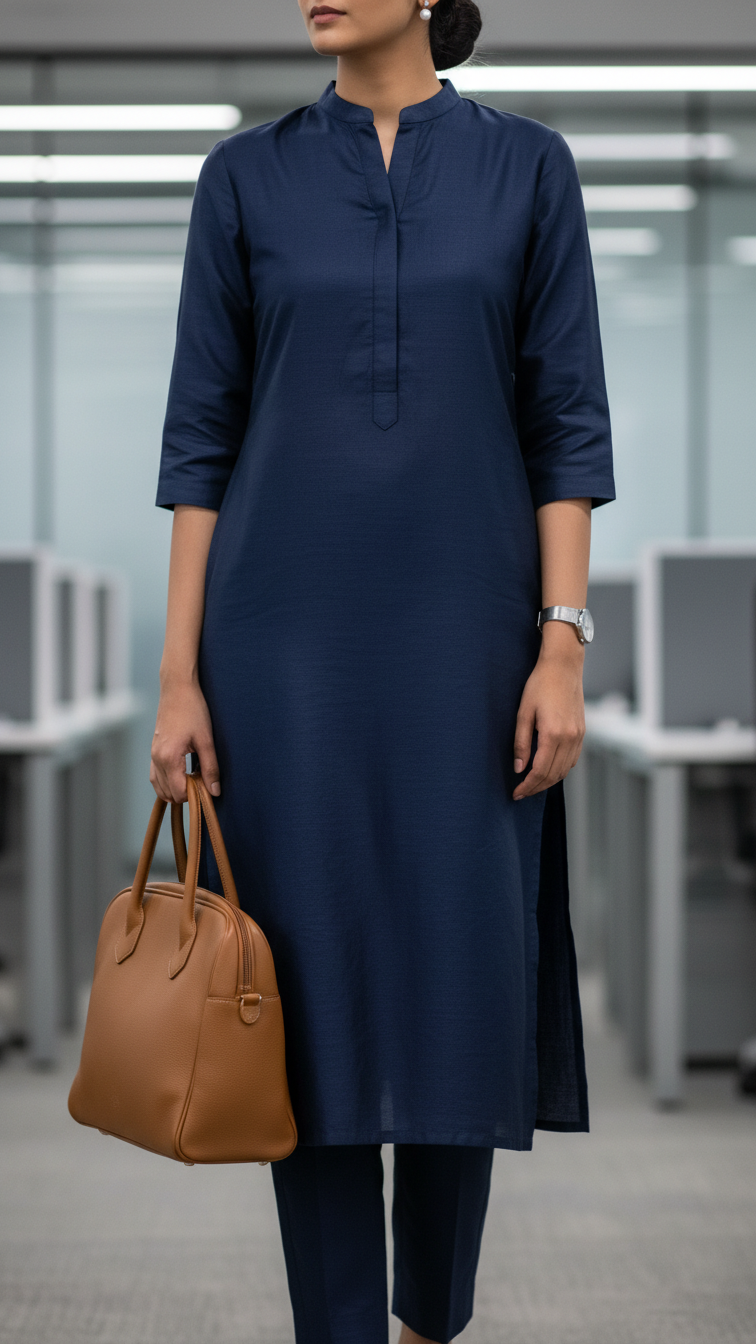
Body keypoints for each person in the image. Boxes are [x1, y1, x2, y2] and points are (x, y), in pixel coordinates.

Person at [150, 0, 615, 1339]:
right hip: (279, 652)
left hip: (473, 645)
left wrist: (561, 643)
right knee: (305, 992)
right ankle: (340, 1325)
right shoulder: (244, 178)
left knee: (463, 973)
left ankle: (432, 1317)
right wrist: (180, 676)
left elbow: (566, 423)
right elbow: (199, 443)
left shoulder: (530, 169)